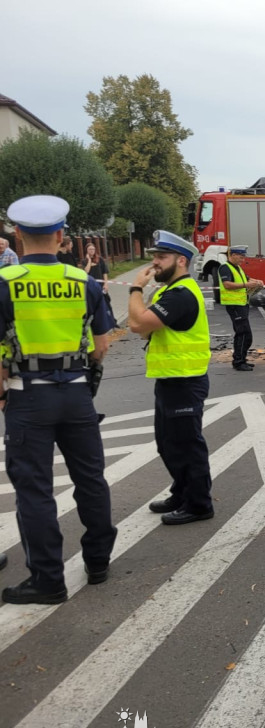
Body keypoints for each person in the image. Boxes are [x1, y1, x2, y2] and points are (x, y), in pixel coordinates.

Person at [0, 195, 117, 604]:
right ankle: (98, 561)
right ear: (62, 235)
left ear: (16, 234)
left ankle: (48, 580)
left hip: (27, 398)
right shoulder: (82, 281)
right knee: (91, 479)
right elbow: (101, 345)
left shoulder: (4, 284)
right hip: (77, 394)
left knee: (34, 490)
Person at [127, 230, 214, 525]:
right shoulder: (169, 291)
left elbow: (138, 324)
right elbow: (146, 326)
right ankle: (182, 491)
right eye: (153, 257)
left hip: (185, 381)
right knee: (167, 443)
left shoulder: (181, 295)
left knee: (187, 445)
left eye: (160, 258)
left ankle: (199, 504)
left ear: (181, 260)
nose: (154, 264)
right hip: (170, 379)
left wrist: (136, 289)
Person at [218, 245, 263, 371]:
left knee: (245, 334)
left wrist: (256, 282)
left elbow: (247, 278)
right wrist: (246, 284)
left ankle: (241, 359)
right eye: (241, 256)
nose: (242, 259)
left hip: (242, 304)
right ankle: (238, 361)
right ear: (232, 255)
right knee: (243, 333)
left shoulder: (237, 268)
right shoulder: (225, 268)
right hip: (234, 305)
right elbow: (227, 284)